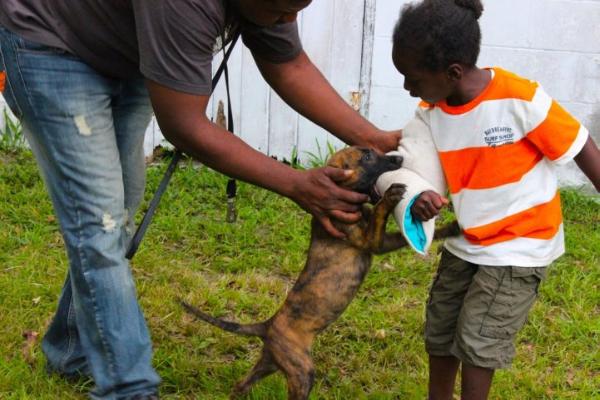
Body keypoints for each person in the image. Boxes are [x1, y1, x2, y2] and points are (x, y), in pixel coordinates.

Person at [0, 1, 401, 398]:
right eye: (281, 10)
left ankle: (71, 349)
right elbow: (184, 125)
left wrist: (373, 139)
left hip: (130, 51)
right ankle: (130, 390)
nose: (290, 21)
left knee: (115, 216)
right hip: (51, 46)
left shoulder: (272, 4)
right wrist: (297, 184)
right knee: (99, 224)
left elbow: (290, 63)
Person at [389, 1, 600, 399]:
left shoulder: (519, 98)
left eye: (412, 77)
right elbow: (416, 166)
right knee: (441, 326)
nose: (406, 87)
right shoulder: (431, 111)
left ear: (452, 73)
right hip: (466, 240)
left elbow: (580, 144)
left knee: (479, 339)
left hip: (520, 245)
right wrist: (418, 196)